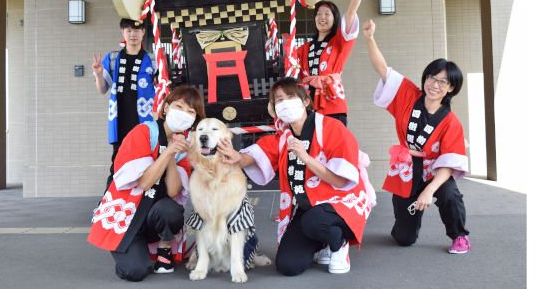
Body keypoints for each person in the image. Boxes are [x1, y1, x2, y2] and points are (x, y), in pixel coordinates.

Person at [217, 77, 376, 276]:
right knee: (288, 265)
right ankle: (320, 243)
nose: (284, 103)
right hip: (307, 207)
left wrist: (307, 158)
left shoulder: (332, 128)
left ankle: (338, 243)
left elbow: (340, 181)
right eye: (279, 100)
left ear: (306, 101)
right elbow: (254, 156)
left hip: (341, 203)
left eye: (290, 97)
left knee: (314, 221)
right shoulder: (284, 137)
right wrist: (236, 157)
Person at [362, 19, 472, 254]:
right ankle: (406, 226)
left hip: (434, 171)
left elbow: (449, 164)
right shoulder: (408, 94)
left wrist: (429, 190)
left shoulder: (451, 122)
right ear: (425, 78)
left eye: (443, 81)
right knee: (404, 238)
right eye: (432, 77)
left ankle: (459, 236)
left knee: (449, 193)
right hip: (407, 168)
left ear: (451, 88)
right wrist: (370, 38)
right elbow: (383, 69)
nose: (435, 84)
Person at [88, 86, 206, 281]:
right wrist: (168, 151)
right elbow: (144, 182)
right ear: (166, 108)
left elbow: (172, 191)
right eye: (179, 106)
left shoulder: (184, 148)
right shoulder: (142, 132)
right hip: (126, 216)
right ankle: (131, 250)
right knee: (136, 271)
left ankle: (164, 248)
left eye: (191, 112)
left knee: (171, 209)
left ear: (194, 119)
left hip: (153, 216)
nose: (184, 114)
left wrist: (173, 153)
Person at [296, 0, 371, 127]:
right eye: (318, 13)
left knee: (334, 148)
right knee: (311, 148)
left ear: (335, 18)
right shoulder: (303, 49)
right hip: (307, 103)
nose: (322, 17)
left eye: (327, 13)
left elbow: (351, 12)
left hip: (333, 101)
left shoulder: (340, 41)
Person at [92, 19, 157, 191]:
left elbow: (161, 90)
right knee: (118, 164)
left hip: (144, 123)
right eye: (128, 30)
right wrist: (99, 75)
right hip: (120, 122)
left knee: (147, 164)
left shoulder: (152, 59)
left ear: (143, 32)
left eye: (136, 30)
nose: (132, 34)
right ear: (123, 33)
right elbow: (102, 90)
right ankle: (109, 205)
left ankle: (141, 206)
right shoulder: (112, 58)